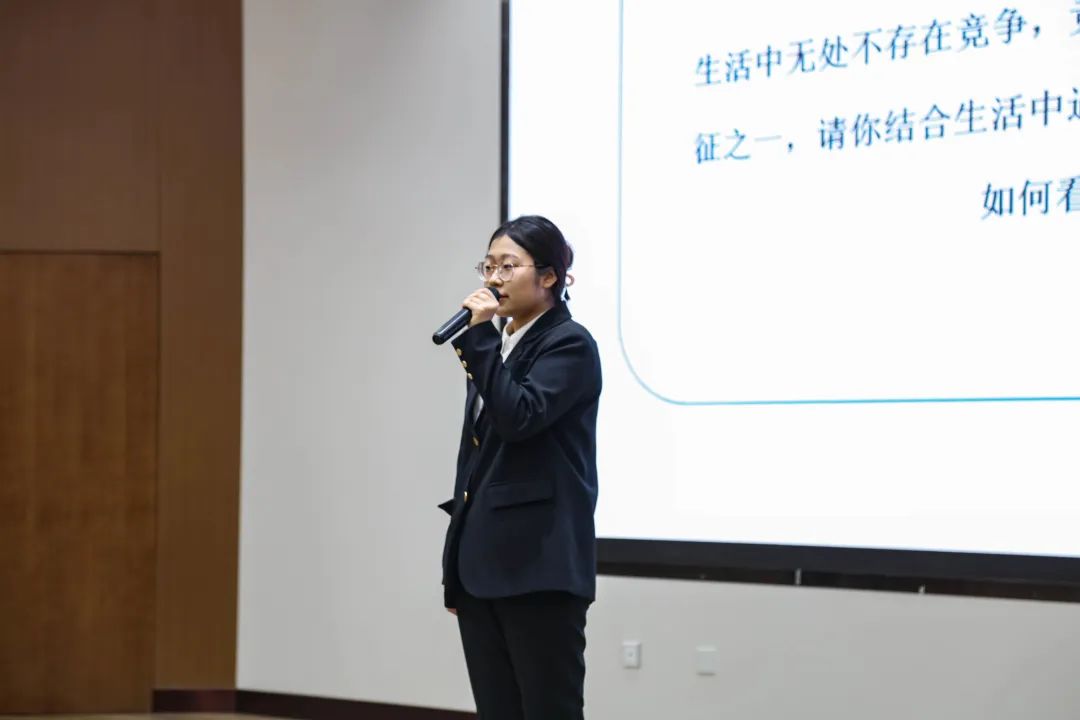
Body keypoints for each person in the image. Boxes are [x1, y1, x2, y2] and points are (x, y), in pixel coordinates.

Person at [439, 215, 602, 720]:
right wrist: (454, 568)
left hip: (538, 567)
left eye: (508, 266)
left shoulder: (569, 344)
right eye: (488, 266)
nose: (494, 278)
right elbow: (475, 462)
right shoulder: (501, 346)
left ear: (550, 276)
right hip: (482, 569)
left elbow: (520, 419)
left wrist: (480, 340)